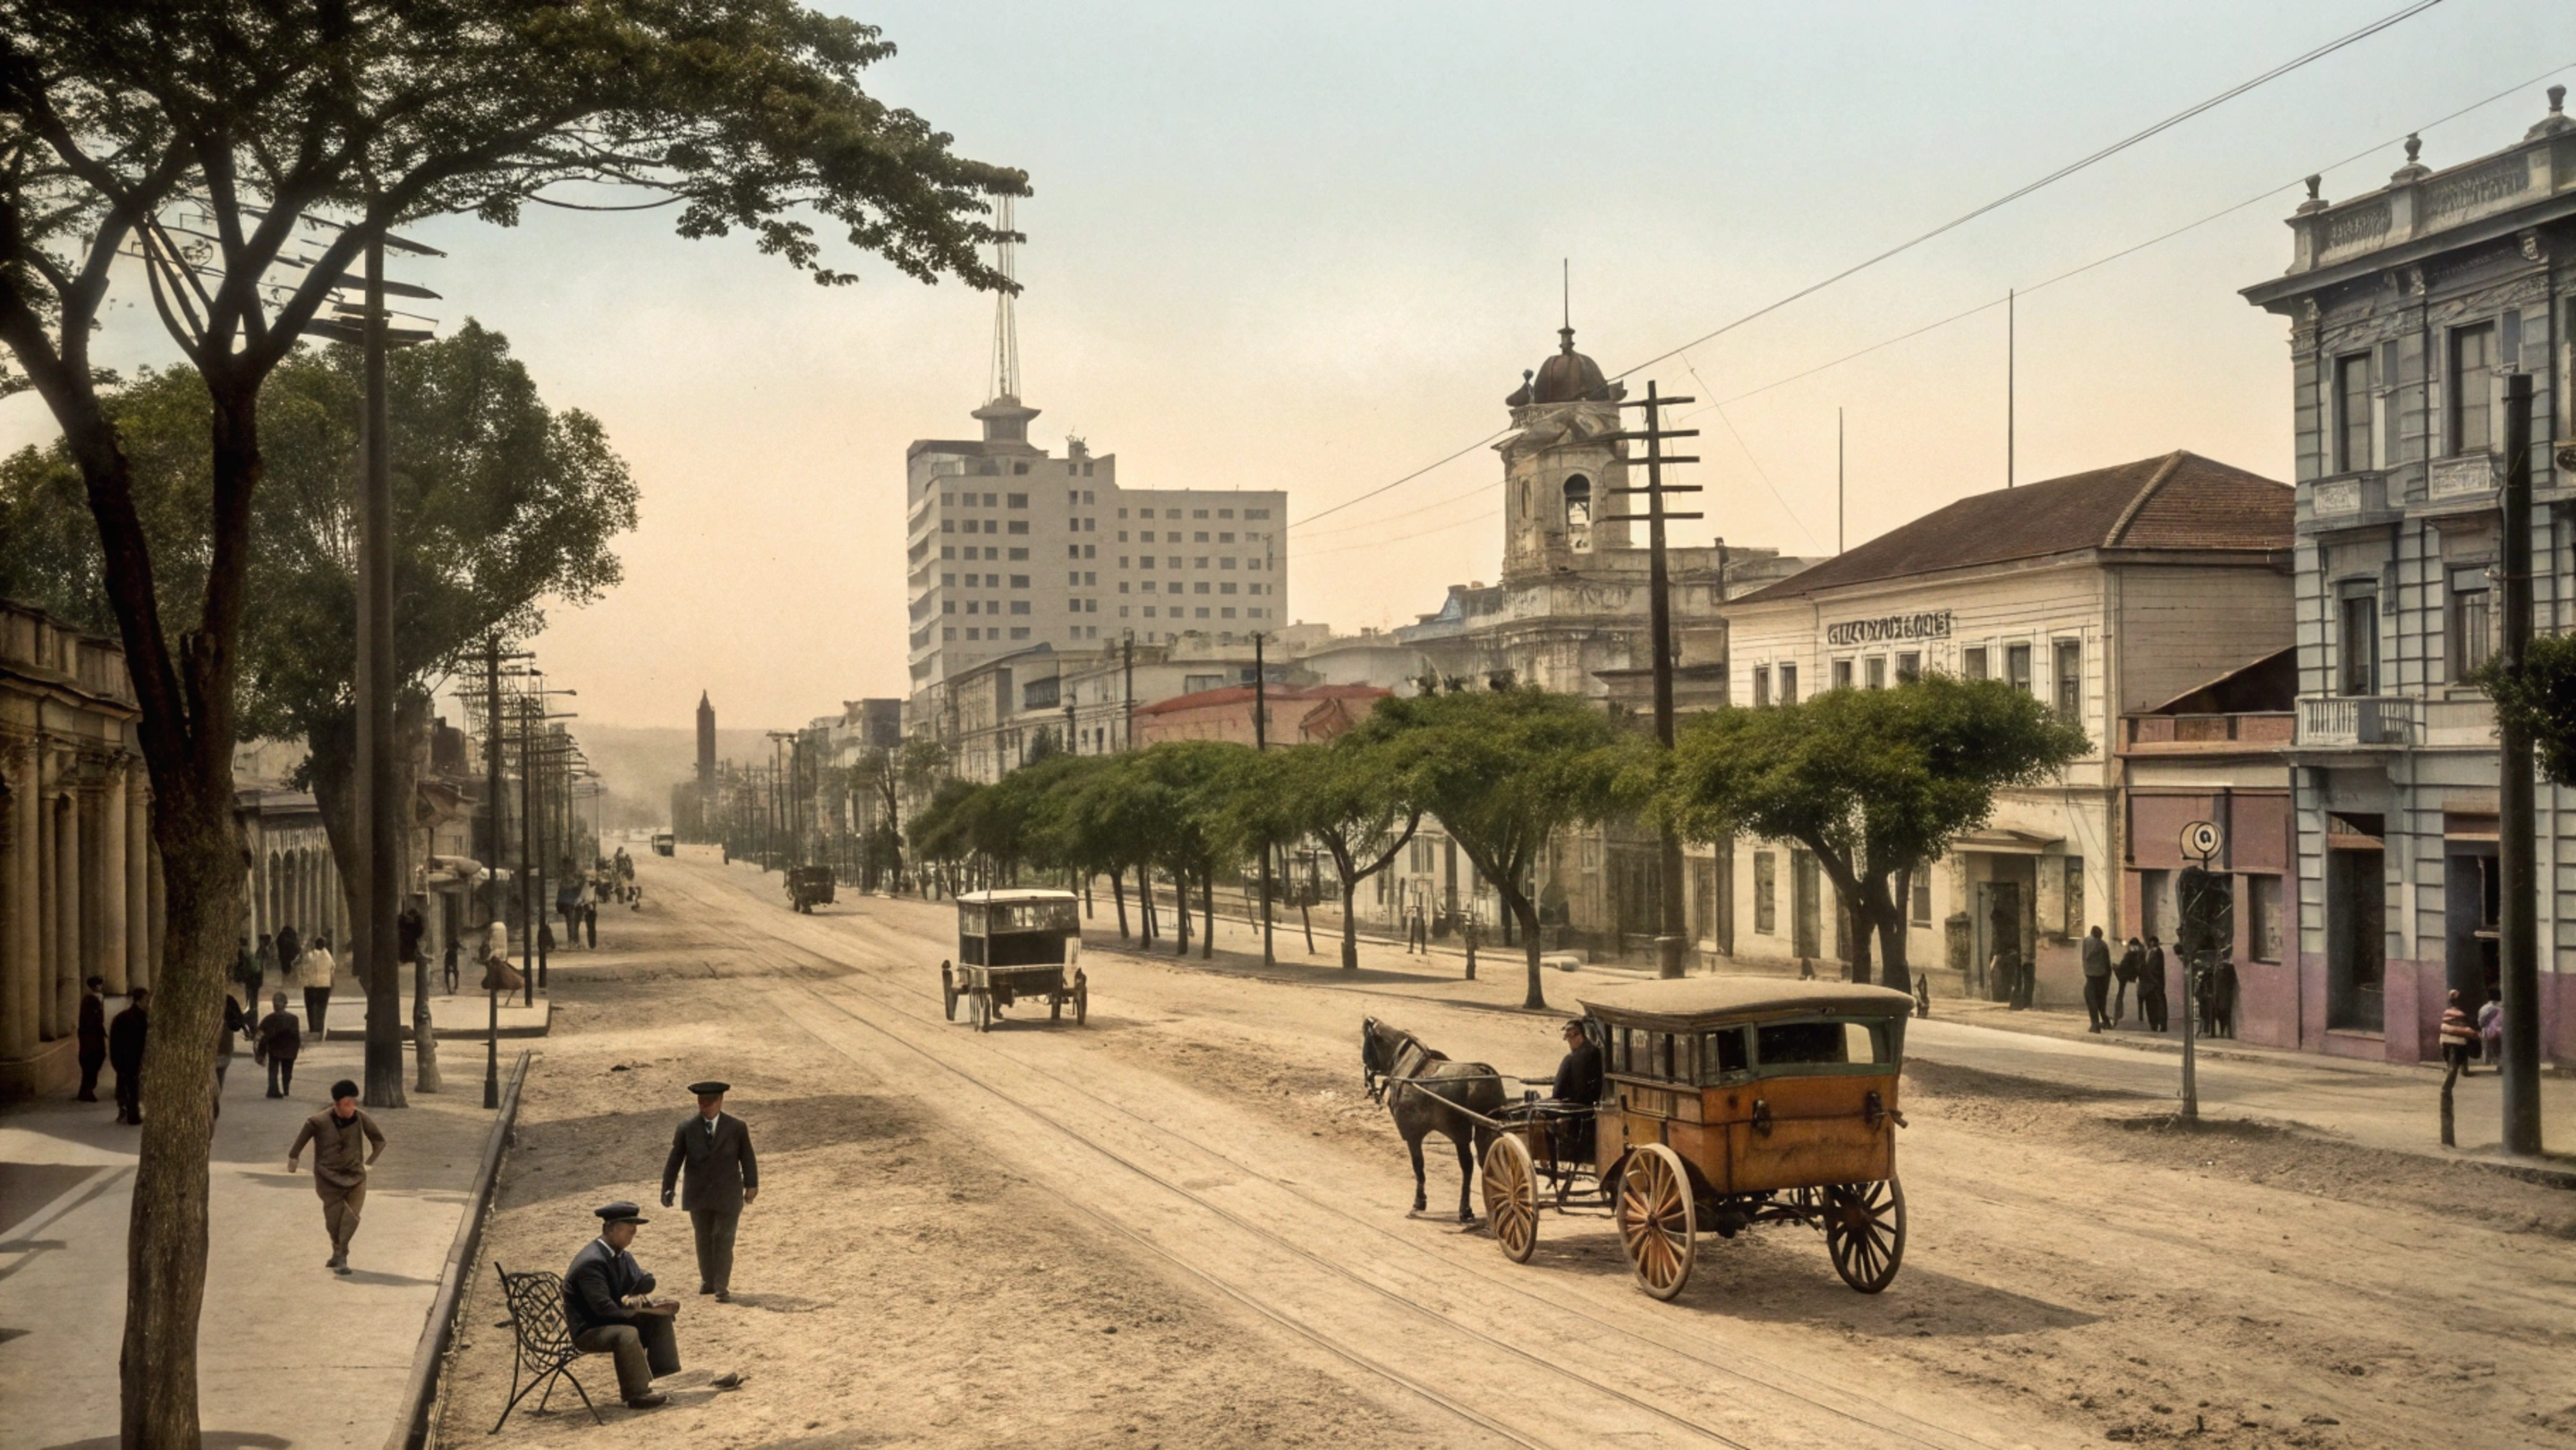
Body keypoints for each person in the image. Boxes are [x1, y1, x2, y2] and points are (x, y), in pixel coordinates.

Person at [565, 1201, 679, 1409]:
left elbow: (640, 1280)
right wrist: (644, 1310)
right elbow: (603, 1310)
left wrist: (652, 1301)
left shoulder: (618, 1254)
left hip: (606, 1321)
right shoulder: (592, 1262)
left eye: (634, 1230)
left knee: (660, 1318)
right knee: (626, 1333)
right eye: (629, 1228)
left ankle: (663, 1377)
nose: (633, 1233)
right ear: (610, 1229)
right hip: (589, 1329)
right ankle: (637, 1394)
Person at [661, 1080, 759, 1301]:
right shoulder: (686, 1128)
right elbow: (674, 1160)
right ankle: (708, 1280)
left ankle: (721, 1286)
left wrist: (751, 1185)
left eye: (709, 1102)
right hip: (698, 1194)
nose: (704, 1106)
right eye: (700, 1102)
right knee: (703, 1237)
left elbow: (747, 1157)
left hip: (728, 1194)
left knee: (723, 1237)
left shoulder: (736, 1127)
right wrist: (667, 1188)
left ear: (720, 1101)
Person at [288, 1079, 384, 1275]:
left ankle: (341, 1256)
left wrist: (369, 1163)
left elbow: (379, 1141)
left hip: (356, 1177)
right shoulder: (317, 1121)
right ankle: (337, 1252)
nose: (351, 1108)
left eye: (353, 1103)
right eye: (347, 1104)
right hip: (327, 1178)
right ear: (337, 1104)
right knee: (333, 1220)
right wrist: (293, 1160)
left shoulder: (361, 1118)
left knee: (351, 1216)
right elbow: (298, 1145)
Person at [107, 988, 149, 1125]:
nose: (148, 1003)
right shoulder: (132, 1018)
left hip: (127, 1059)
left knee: (128, 1087)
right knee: (131, 1088)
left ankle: (128, 1112)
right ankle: (132, 1114)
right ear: (139, 1000)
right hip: (131, 1059)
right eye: (146, 1000)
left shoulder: (126, 1017)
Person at [256, 991, 302, 1097]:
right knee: (287, 1071)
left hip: (274, 1048)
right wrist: (297, 1047)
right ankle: (286, 1089)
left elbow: (260, 1036)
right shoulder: (293, 1019)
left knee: (273, 1071)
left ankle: (273, 1089)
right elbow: (296, 1036)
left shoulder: (268, 1019)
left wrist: (260, 1052)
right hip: (288, 1050)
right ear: (286, 1004)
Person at [295, 933, 336, 1038]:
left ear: (315, 944)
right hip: (324, 985)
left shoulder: (309, 955)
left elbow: (303, 969)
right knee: (322, 1007)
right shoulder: (328, 956)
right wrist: (332, 984)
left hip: (310, 985)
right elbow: (332, 970)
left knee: (311, 1006)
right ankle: (320, 1027)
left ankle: (313, 1027)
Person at [75, 976, 107, 1102]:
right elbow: (92, 1020)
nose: (100, 987)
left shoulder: (93, 999)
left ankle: (86, 1090)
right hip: (91, 1038)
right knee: (92, 1063)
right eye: (98, 985)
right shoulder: (91, 1000)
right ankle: (87, 1091)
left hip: (92, 1037)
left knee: (92, 1063)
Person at [2079, 925, 2113, 1032]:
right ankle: (2105, 1021)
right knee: (2101, 1001)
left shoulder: (2086, 942)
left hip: (2090, 976)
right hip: (2102, 977)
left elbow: (2084, 958)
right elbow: (2107, 963)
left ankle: (2095, 1024)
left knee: (2091, 999)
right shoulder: (2103, 945)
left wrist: (2086, 970)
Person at [2439, 989, 2478, 1074]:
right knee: (2468, 1043)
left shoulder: (2447, 1012)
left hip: (2446, 1038)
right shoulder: (2464, 1013)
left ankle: (2449, 1065)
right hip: (2460, 1039)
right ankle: (2464, 1068)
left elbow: (2444, 1025)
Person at [2138, 935, 2170, 1033]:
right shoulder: (2150, 952)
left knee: (2158, 1004)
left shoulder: (2157, 952)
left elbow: (2154, 968)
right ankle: (2154, 1024)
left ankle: (2161, 1024)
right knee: (2152, 1004)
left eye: (2153, 942)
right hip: (2151, 983)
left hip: (2156, 983)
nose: (2151, 944)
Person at [2112, 935, 2144, 1028]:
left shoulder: (2130, 955)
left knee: (2120, 996)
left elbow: (2123, 966)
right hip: (2135, 979)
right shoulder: (2142, 953)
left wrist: (2115, 967)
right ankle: (2139, 1017)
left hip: (2126, 979)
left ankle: (2118, 1017)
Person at [235, 934, 266, 1014]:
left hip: (249, 975)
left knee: (249, 991)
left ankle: (250, 1007)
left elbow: (241, 964)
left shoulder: (241, 951)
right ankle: (254, 1007)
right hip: (256, 974)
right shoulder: (249, 951)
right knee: (254, 992)